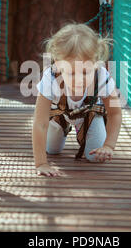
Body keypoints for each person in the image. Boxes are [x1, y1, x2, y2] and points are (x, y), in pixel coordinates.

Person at [32, 22, 122, 177]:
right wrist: (41, 163)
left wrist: (109, 145)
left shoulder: (101, 76)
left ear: (95, 64)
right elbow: (39, 123)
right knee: (52, 150)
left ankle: (84, 130)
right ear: (58, 66)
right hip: (60, 113)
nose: (79, 80)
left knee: (95, 157)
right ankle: (62, 128)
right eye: (72, 73)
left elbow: (115, 113)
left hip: (89, 114)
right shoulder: (51, 77)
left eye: (85, 72)